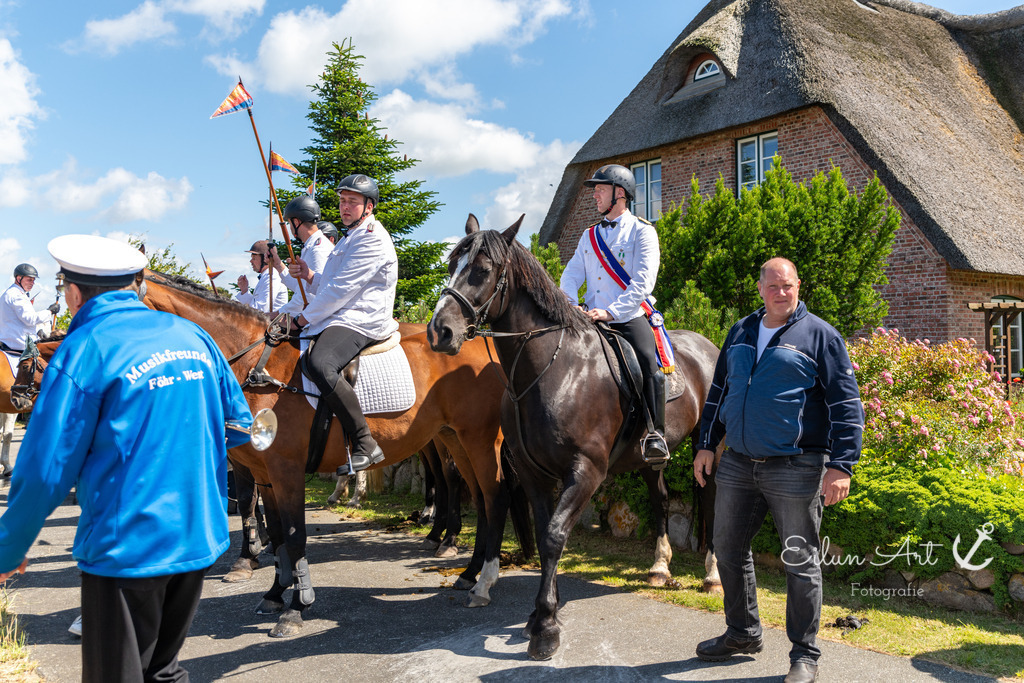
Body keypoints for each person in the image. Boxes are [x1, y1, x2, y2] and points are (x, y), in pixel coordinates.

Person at [0, 234, 253, 682]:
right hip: (197, 536)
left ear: (73, 293)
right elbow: (238, 425)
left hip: (128, 547)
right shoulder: (191, 334)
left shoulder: (85, 348)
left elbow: (45, 470)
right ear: (135, 285)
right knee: (163, 670)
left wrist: (9, 546)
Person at [692, 257, 864, 683]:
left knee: (800, 561)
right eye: (773, 286)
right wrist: (706, 444)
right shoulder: (741, 331)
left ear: (798, 285)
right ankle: (743, 633)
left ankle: (804, 655)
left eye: (788, 285)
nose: (781, 293)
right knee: (727, 548)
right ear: (760, 289)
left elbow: (846, 404)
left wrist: (841, 465)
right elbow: (719, 392)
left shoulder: (820, 336)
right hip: (737, 462)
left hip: (797, 466)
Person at [559, 164, 670, 465]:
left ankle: (656, 434)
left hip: (628, 316)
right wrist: (571, 304)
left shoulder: (643, 232)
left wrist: (610, 312)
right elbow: (571, 274)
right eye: (594, 190)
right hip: (590, 318)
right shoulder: (589, 236)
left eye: (600, 189)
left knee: (649, 364)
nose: (594, 195)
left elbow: (643, 282)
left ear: (619, 193)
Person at [287, 174, 398, 474]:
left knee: (321, 363)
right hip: (344, 314)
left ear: (369, 206)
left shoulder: (372, 238)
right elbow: (330, 284)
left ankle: (365, 442)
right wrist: (309, 276)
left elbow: (340, 291)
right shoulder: (351, 236)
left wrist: (300, 320)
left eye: (352, 201)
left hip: (363, 318)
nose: (344, 207)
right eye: (342, 201)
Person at [272, 196, 335, 317]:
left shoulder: (318, 249)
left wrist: (277, 314)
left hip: (313, 320)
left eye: (289, 223)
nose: (290, 228)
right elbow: (300, 287)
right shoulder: (310, 246)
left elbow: (310, 295)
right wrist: (278, 264)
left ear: (296, 222)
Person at [236, 240, 288, 313]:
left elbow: (262, 310)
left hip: (273, 320)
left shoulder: (272, 276)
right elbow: (256, 306)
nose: (251, 261)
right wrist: (244, 290)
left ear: (265, 258)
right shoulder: (266, 276)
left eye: (254, 258)